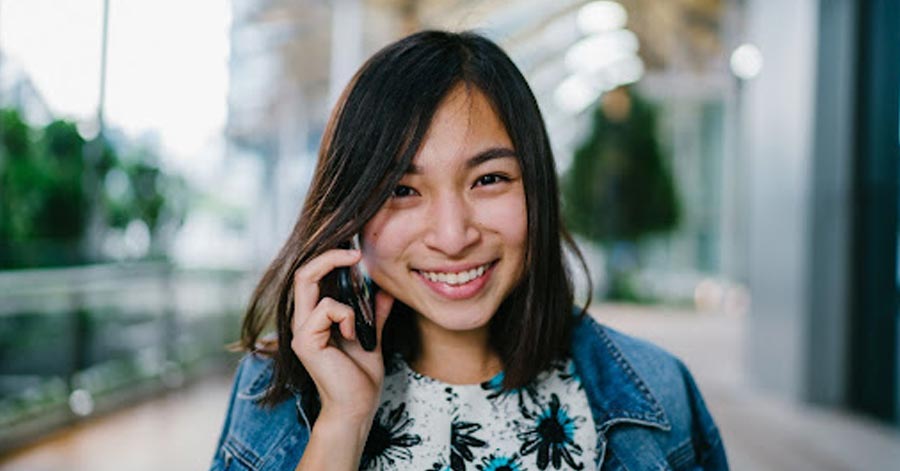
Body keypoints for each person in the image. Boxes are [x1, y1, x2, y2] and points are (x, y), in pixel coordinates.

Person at [210, 30, 728, 471]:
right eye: (401, 190)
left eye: (489, 179)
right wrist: (342, 422)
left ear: (537, 189)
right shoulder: (274, 393)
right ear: (351, 209)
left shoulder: (657, 390)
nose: (453, 236)